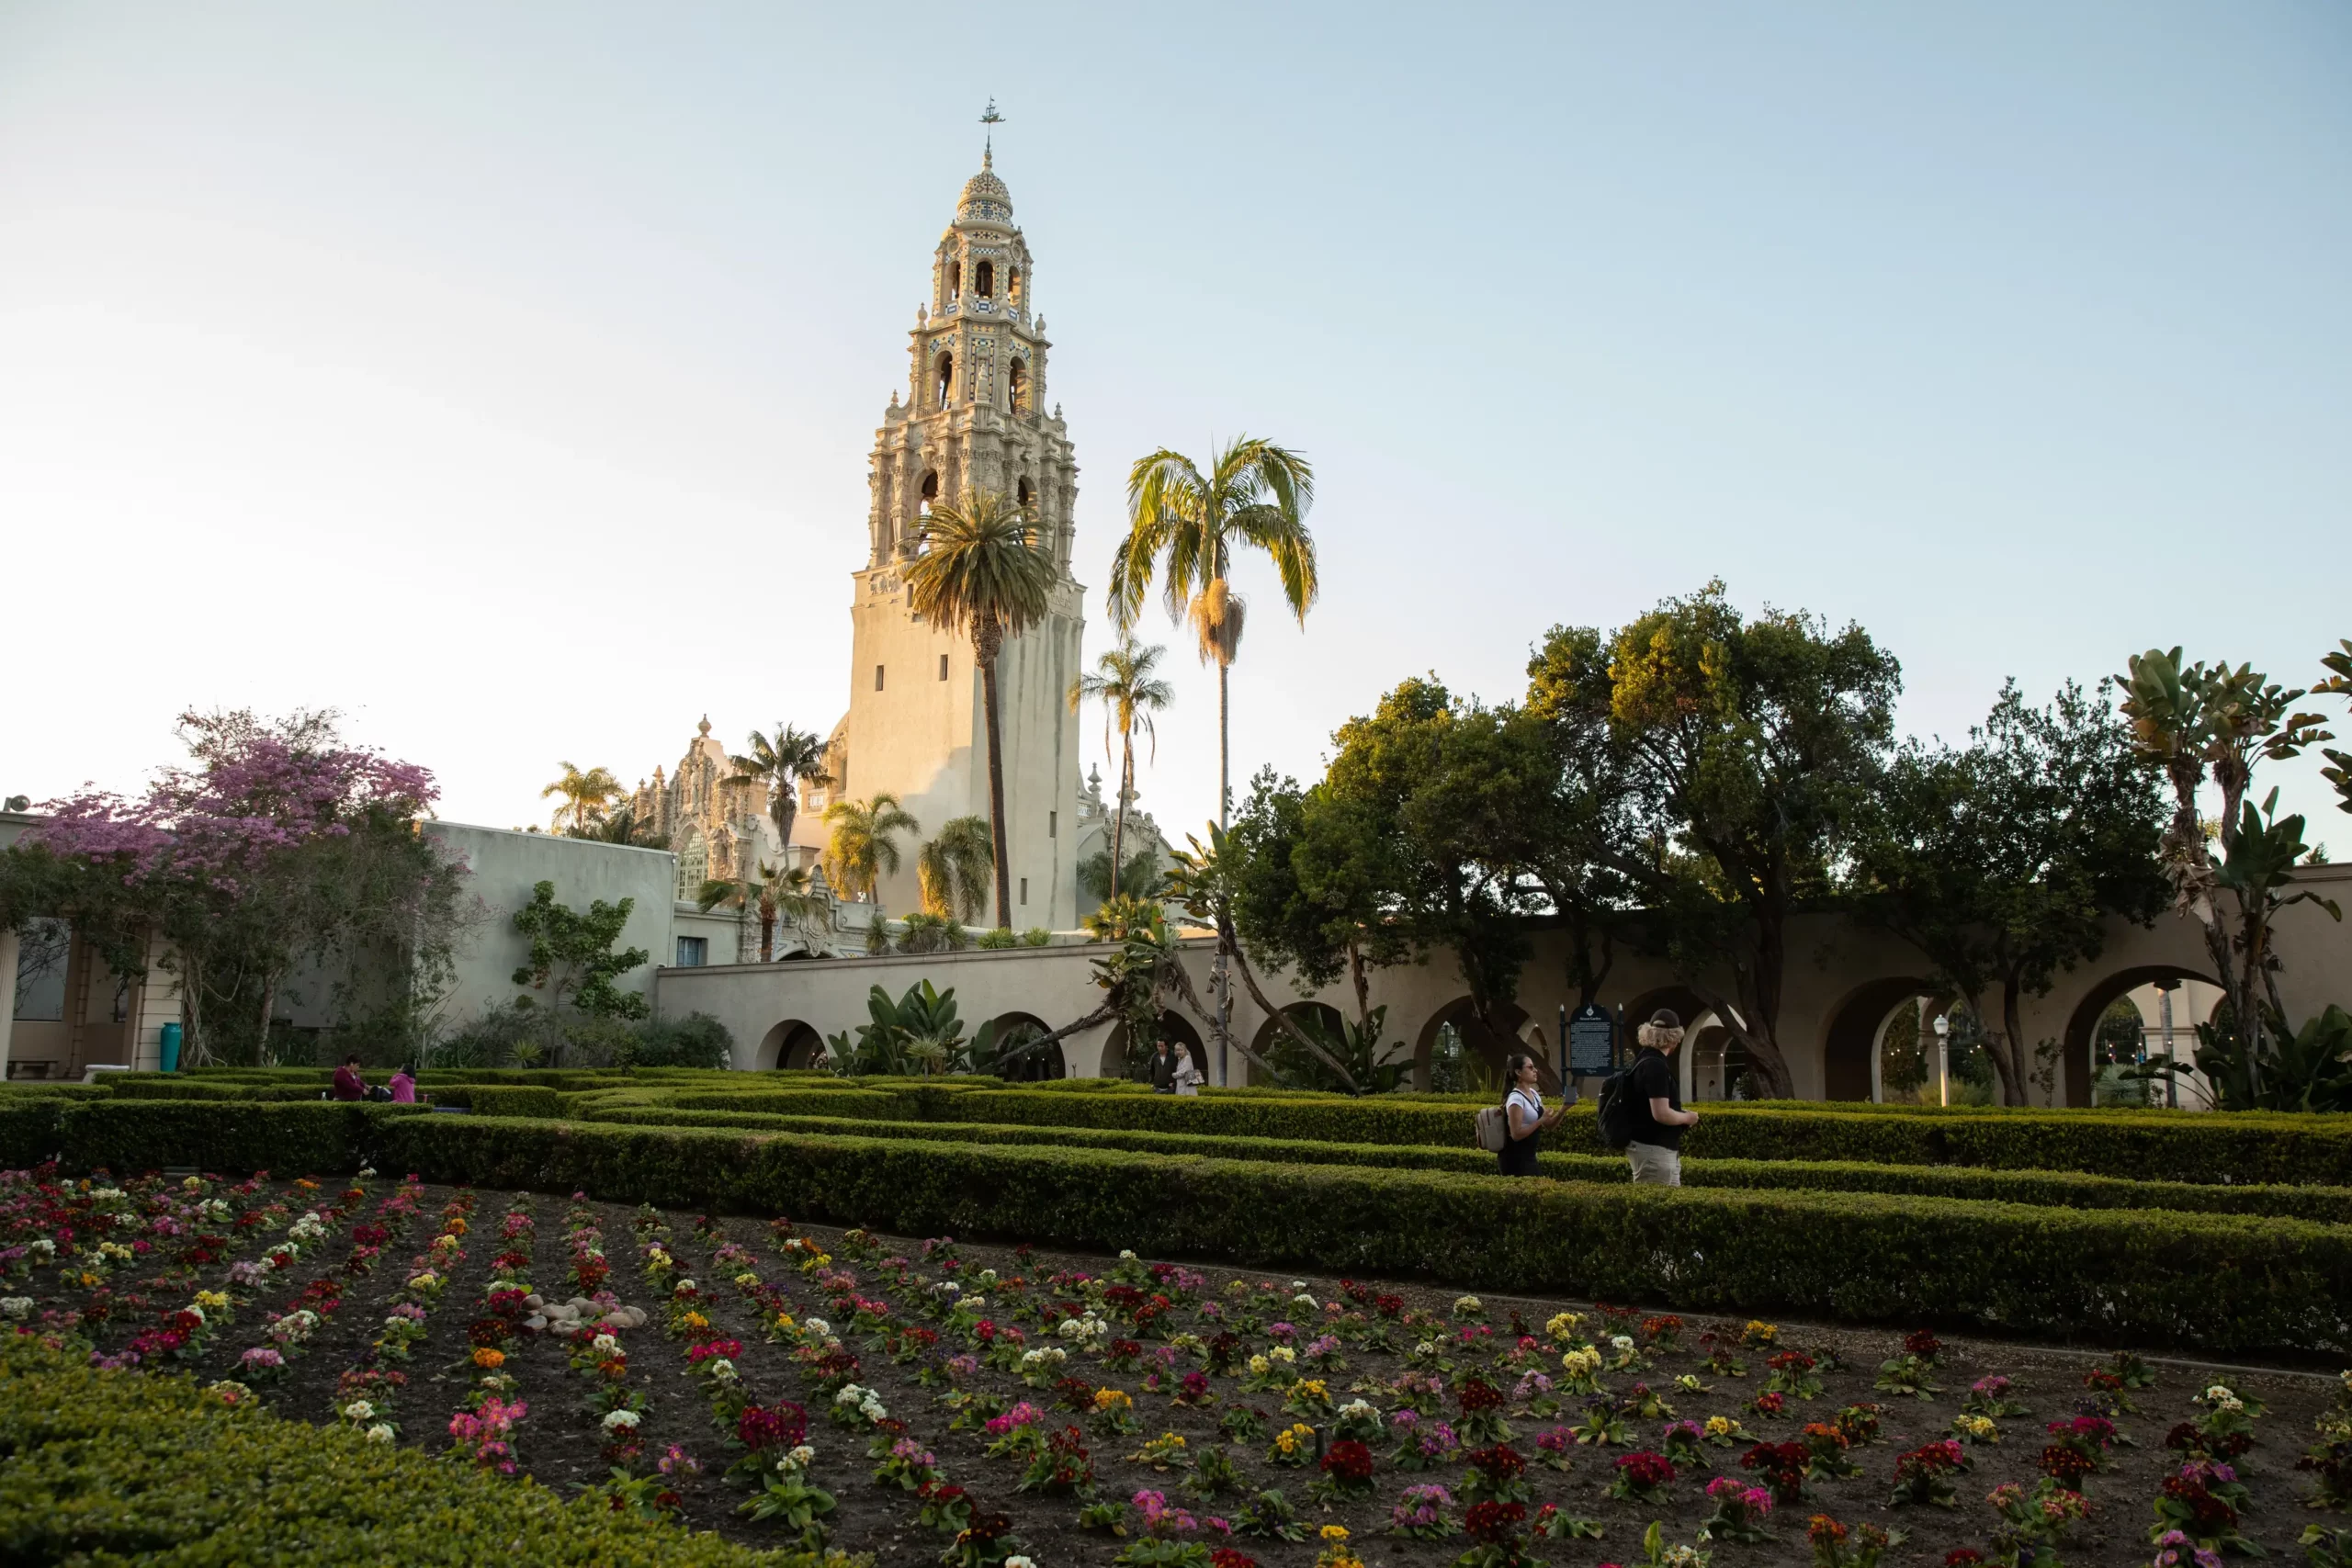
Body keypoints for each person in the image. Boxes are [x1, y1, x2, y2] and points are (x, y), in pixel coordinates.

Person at [1625, 1010, 1699, 1186]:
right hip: (1654, 1150)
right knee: (1655, 1211)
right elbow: (1661, 1114)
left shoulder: (1643, 1060)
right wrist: (1688, 1117)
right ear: (1674, 1039)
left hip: (1655, 1149)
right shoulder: (1655, 1066)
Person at [1498, 1051, 1565, 1176]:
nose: (1535, 1071)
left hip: (1529, 1157)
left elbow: (1549, 1125)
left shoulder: (1534, 1094)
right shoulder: (1515, 1099)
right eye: (1530, 1067)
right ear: (1518, 1072)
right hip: (1515, 1159)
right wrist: (1540, 1120)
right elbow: (1516, 1134)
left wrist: (1564, 1109)